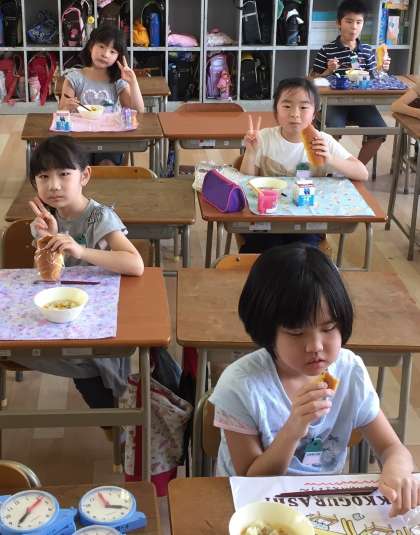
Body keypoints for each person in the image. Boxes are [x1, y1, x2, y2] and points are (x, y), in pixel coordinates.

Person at [210, 244, 419, 517]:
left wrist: (398, 468)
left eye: (329, 328)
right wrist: (295, 427)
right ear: (267, 331)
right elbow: (252, 480)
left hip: (323, 506)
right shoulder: (240, 386)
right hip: (252, 508)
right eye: (296, 333)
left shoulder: (349, 371)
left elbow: (392, 447)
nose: (315, 346)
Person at [11, 135, 144, 417]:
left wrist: (81, 250)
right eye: (43, 177)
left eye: (64, 174)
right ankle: (115, 414)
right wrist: (46, 240)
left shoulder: (99, 217)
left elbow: (135, 264)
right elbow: (48, 277)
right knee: (22, 346)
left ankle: (118, 418)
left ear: (84, 176)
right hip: (65, 310)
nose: (54, 185)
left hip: (98, 311)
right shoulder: (47, 220)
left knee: (88, 364)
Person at [239, 77, 367, 253]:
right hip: (266, 219)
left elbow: (362, 173)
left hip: (307, 222)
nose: (295, 114)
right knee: (267, 250)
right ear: (276, 111)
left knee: (302, 254)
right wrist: (251, 152)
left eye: (304, 107)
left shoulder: (323, 141)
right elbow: (245, 182)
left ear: (314, 113)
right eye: (287, 106)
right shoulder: (264, 138)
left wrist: (330, 159)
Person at [310, 0, 391, 166]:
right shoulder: (327, 50)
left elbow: (375, 79)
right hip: (334, 102)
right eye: (349, 21)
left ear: (363, 24)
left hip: (363, 102)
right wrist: (328, 71)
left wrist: (382, 69)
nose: (354, 27)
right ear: (338, 23)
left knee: (380, 130)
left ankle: (355, 169)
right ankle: (331, 169)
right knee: (331, 131)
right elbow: (312, 79)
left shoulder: (367, 50)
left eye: (359, 22)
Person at [59, 25, 145, 165]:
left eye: (112, 51)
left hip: (110, 138)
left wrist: (133, 82)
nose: (105, 54)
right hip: (80, 138)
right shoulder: (74, 77)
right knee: (77, 167)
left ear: (118, 57)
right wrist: (67, 107)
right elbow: (62, 111)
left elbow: (138, 111)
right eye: (101, 46)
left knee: (107, 165)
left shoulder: (117, 81)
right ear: (91, 46)